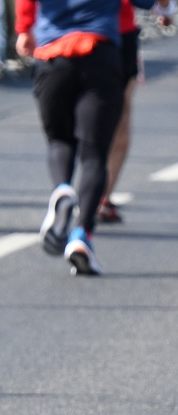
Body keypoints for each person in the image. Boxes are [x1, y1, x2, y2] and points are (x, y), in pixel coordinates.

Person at [16, 0, 164, 276]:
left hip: (51, 57)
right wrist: (164, 9)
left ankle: (62, 189)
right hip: (100, 54)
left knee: (60, 141)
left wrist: (24, 29)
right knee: (95, 154)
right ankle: (82, 234)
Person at [98, 0, 173, 223]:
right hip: (117, 34)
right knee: (120, 116)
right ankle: (102, 197)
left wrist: (27, 28)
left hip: (62, 35)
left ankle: (76, 187)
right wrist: (163, 8)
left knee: (81, 120)